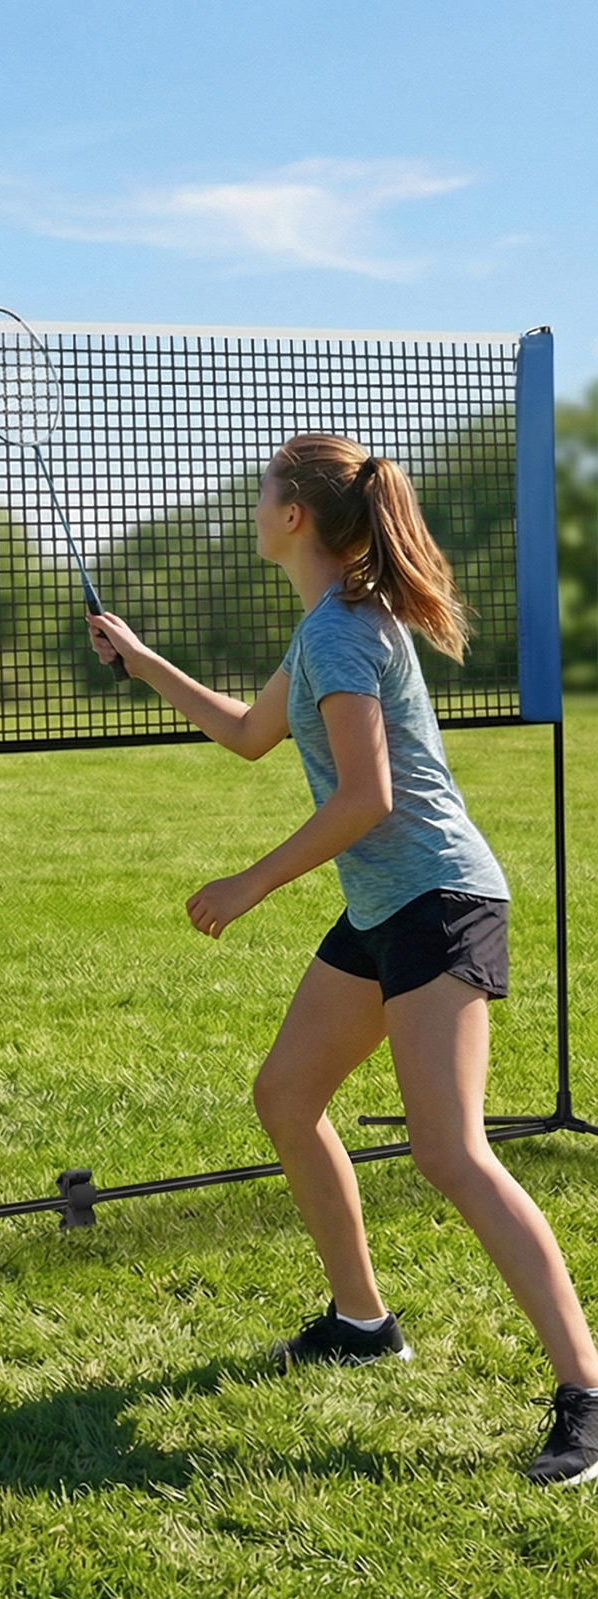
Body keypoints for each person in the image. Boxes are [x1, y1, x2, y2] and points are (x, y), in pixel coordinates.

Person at [86, 432, 598, 1487]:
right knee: (285, 1094)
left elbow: (369, 798)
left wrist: (246, 884)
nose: (254, 494)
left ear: (295, 519)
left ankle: (587, 1392)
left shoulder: (339, 631)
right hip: (385, 902)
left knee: (449, 1154)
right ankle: (361, 1321)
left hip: (434, 899)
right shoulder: (329, 625)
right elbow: (244, 731)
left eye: (266, 481)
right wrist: (138, 658)